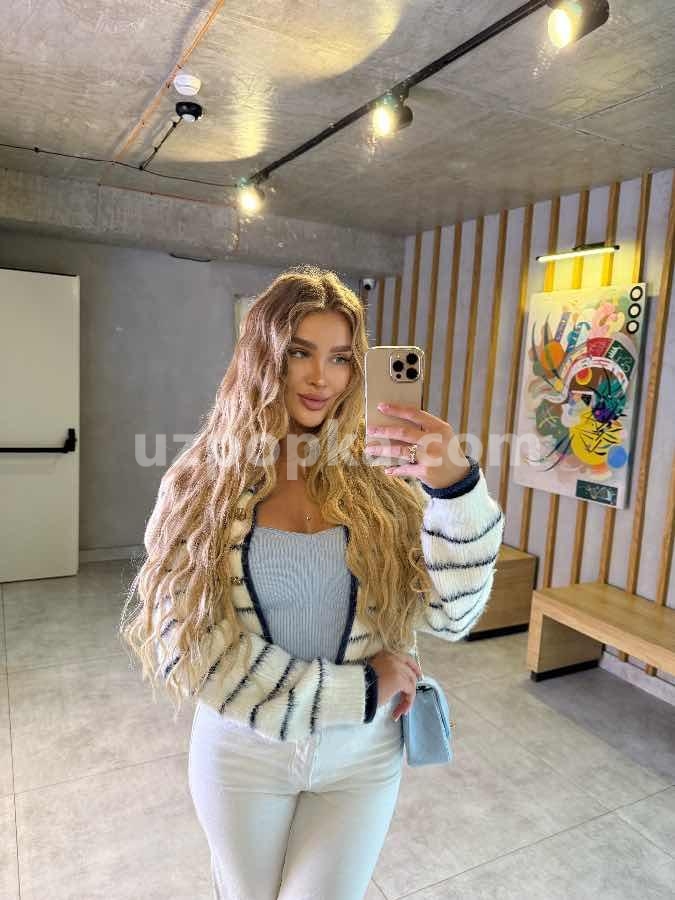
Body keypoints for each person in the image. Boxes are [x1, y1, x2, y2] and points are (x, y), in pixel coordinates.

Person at [120, 265, 504, 900]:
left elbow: (453, 617)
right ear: (262, 356)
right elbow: (187, 647)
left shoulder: (385, 483)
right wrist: (359, 688)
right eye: (299, 352)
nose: (321, 377)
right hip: (244, 750)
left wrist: (455, 490)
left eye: (341, 358)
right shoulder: (200, 485)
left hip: (362, 755)